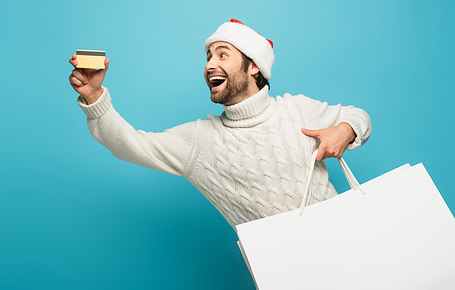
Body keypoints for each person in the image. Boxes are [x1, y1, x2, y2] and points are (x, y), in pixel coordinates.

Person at [68, 19, 372, 229]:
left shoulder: (300, 109)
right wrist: (95, 98)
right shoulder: (200, 140)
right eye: (208, 56)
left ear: (253, 66)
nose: (209, 64)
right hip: (283, 271)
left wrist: (345, 130)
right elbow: (129, 143)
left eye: (222, 55)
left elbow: (359, 116)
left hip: (349, 244)